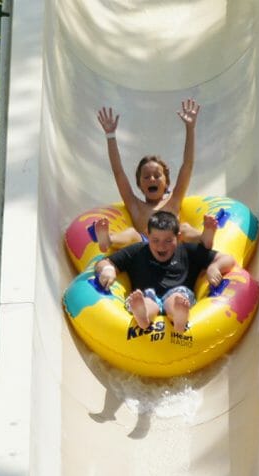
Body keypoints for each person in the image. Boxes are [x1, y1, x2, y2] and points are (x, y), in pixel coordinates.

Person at [94, 100, 216, 252]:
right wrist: (110, 136)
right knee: (132, 234)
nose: (151, 179)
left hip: (173, 245)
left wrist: (190, 128)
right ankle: (108, 240)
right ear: (139, 185)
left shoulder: (174, 200)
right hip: (145, 250)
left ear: (166, 183)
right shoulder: (135, 205)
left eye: (157, 176)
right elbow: (118, 172)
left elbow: (187, 166)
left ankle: (203, 237)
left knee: (183, 228)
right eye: (146, 177)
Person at [94, 210, 235, 333]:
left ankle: (179, 317)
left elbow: (227, 259)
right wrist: (108, 269)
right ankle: (143, 317)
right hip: (147, 296)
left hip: (178, 295)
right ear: (147, 235)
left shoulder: (187, 251)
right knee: (146, 301)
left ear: (178, 237)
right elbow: (104, 262)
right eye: (155, 240)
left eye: (168, 241)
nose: (161, 246)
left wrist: (214, 267)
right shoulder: (137, 251)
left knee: (175, 299)